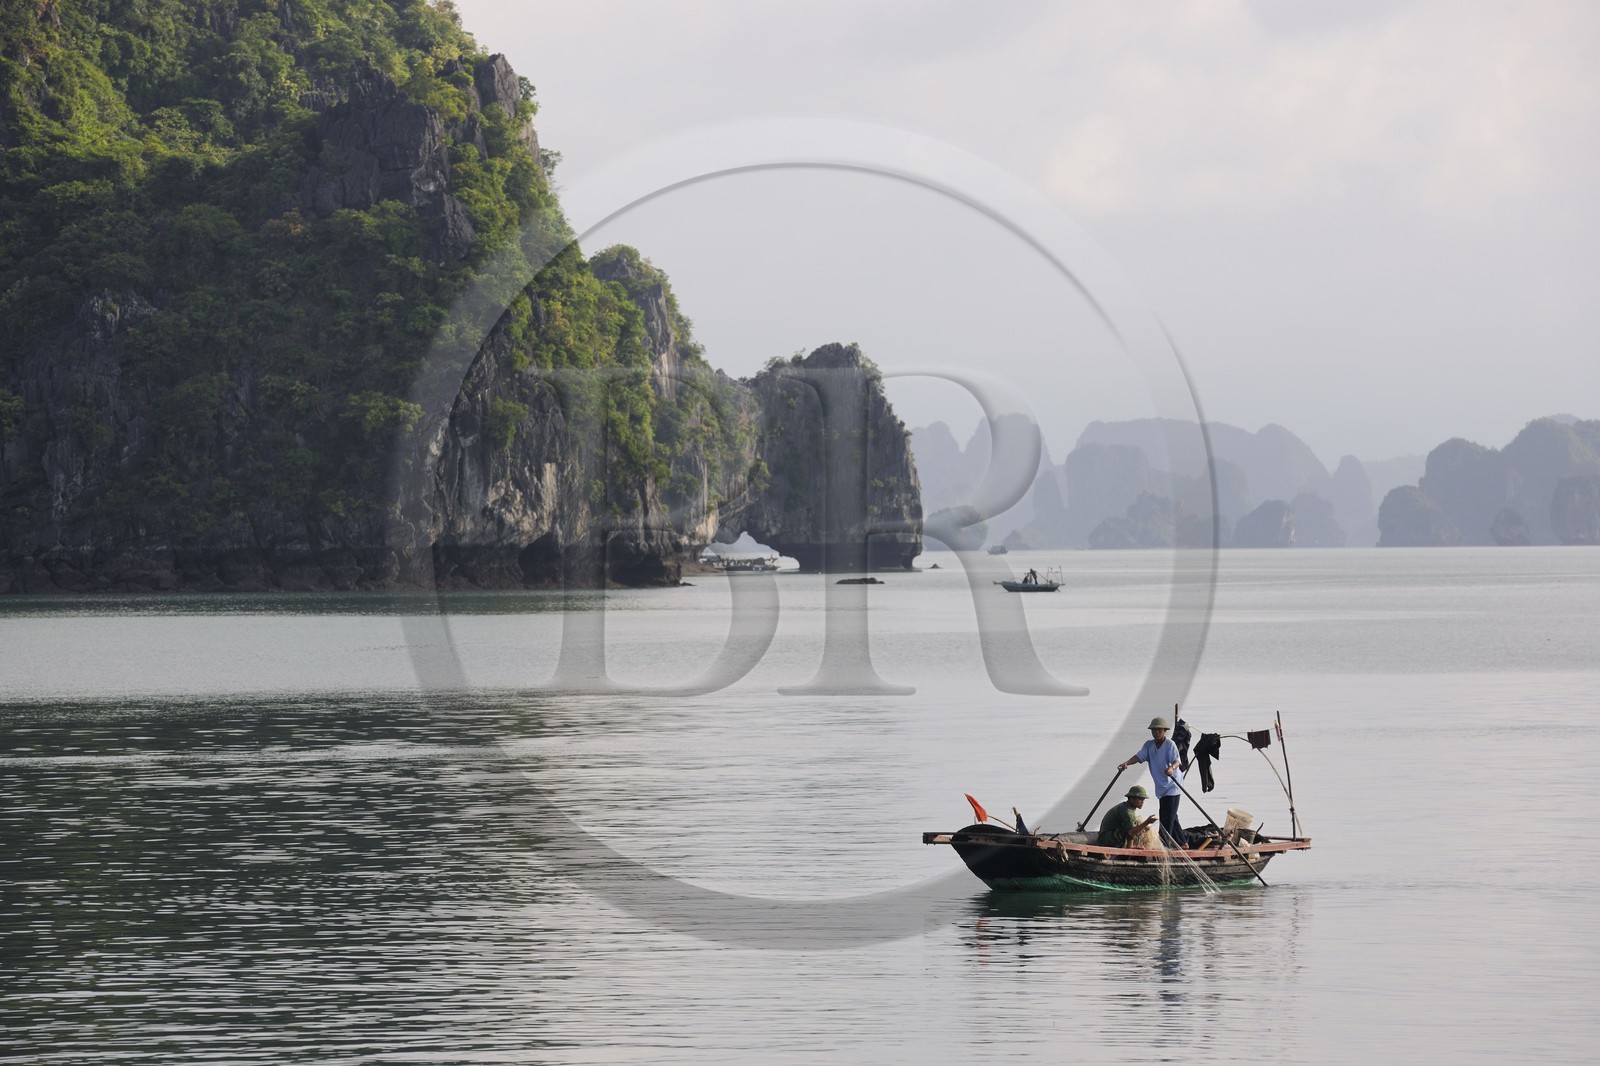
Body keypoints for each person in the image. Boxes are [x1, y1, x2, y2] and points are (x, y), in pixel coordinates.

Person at [1119, 716, 1185, 846]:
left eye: (1159, 730)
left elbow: (1177, 761)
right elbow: (1139, 757)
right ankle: (1183, 843)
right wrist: (1126, 763)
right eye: (1154, 730)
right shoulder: (1149, 745)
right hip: (1161, 786)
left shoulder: (1169, 744)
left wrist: (1171, 768)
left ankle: (1164, 846)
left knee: (1167, 817)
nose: (1156, 733)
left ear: (1164, 731)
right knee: (1171, 815)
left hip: (1173, 785)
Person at [1097, 784, 1158, 848]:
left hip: (1109, 837)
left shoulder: (1128, 808)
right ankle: (1130, 847)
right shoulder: (1126, 810)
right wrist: (1147, 822)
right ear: (1132, 798)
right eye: (1140, 799)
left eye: (1143, 799)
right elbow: (1131, 831)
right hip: (1108, 839)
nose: (1142, 801)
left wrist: (1144, 827)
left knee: (1139, 826)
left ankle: (1131, 846)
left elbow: (1134, 827)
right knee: (1134, 829)